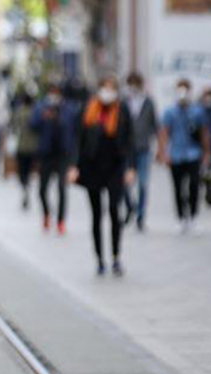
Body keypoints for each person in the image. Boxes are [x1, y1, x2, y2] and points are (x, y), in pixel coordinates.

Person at [71, 77, 134, 276]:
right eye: (104, 89)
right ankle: (99, 259)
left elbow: (129, 140)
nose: (107, 93)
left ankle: (116, 257)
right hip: (92, 168)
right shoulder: (88, 110)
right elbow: (77, 139)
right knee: (96, 214)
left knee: (115, 210)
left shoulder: (122, 111)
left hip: (115, 167)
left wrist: (130, 168)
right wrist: (73, 166)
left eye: (111, 89)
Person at [159, 79, 210, 233]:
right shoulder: (169, 111)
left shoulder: (197, 111)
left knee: (194, 185)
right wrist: (163, 153)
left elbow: (204, 133)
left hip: (193, 154)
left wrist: (206, 153)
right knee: (178, 187)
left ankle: (193, 216)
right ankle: (181, 217)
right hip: (176, 154)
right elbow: (164, 133)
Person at [30, 84, 73, 234]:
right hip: (46, 153)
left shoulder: (67, 108)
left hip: (62, 154)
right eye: (51, 93)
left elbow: (70, 127)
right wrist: (43, 117)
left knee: (62, 188)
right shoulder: (40, 106)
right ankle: (47, 214)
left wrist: (57, 117)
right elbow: (32, 125)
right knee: (42, 189)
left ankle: (61, 221)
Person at [124, 72, 158, 231]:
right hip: (126, 149)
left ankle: (141, 216)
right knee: (125, 183)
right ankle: (131, 206)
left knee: (143, 183)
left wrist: (159, 147)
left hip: (144, 148)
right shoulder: (124, 102)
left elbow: (154, 125)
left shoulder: (148, 102)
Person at [12, 91, 39, 210]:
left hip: (22, 146)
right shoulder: (36, 112)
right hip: (34, 147)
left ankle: (25, 185)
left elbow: (14, 127)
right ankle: (27, 184)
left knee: (22, 171)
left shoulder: (19, 112)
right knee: (30, 170)